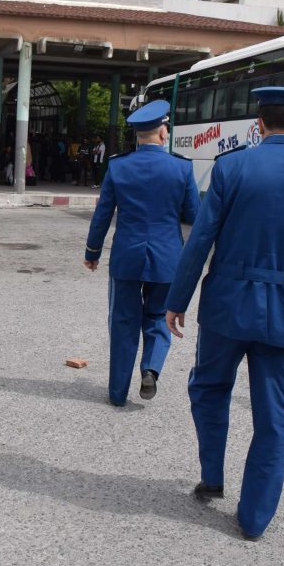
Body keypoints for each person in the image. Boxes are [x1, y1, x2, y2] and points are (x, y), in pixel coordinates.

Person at [165, 87, 284, 541]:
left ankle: (212, 476)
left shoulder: (231, 167)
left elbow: (201, 238)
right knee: (275, 414)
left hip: (227, 306)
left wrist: (177, 300)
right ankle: (254, 518)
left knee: (209, 389)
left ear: (258, 125)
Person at [84, 100, 199, 406]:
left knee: (123, 321)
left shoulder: (118, 166)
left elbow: (103, 214)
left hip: (127, 256)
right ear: (163, 133)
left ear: (138, 135)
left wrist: (92, 251)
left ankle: (117, 392)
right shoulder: (182, 167)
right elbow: (195, 217)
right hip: (168, 257)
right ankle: (150, 368)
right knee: (159, 317)